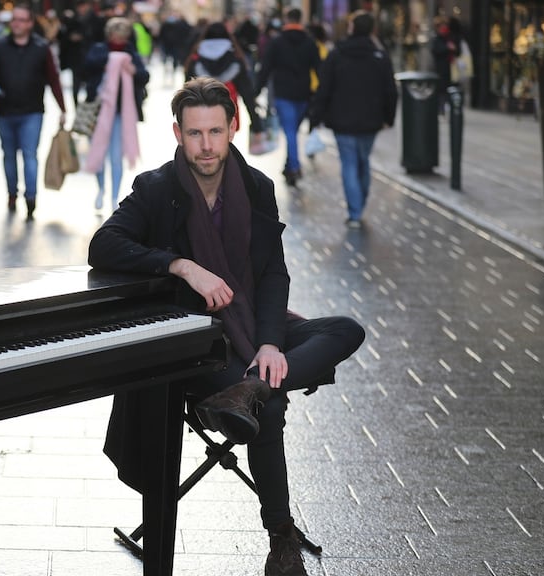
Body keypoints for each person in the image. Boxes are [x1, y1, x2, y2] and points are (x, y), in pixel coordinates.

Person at [89, 78, 365, 576]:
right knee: (274, 403)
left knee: (345, 329)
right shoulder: (156, 189)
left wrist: (269, 342)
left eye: (216, 131)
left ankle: (249, 388)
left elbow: (274, 272)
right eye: (195, 134)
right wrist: (182, 266)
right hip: (195, 345)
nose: (207, 145)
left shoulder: (257, 187)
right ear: (177, 133)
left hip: (253, 327)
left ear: (233, 126)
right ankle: (280, 535)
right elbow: (103, 245)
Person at [0, 3, 67, 221]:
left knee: (29, 155)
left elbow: (53, 79)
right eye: (13, 20)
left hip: (32, 112)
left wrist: (63, 108)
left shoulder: (41, 48)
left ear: (29, 23)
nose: (15, 24)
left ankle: (31, 198)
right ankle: (11, 193)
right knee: (8, 155)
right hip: (5, 111)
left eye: (21, 20)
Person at [308, 11, 397, 229]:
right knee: (363, 161)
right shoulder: (379, 56)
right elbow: (391, 90)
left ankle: (355, 211)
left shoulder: (337, 54)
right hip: (371, 120)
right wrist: (389, 117)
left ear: (351, 28)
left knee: (349, 163)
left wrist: (315, 116)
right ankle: (360, 202)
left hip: (342, 119)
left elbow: (324, 88)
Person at [83, 16, 148, 213]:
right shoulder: (99, 50)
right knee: (98, 153)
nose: (119, 39)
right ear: (109, 34)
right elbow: (85, 69)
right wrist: (106, 63)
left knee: (116, 157)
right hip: (99, 112)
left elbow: (144, 77)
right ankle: (101, 189)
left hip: (122, 114)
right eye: (116, 35)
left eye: (123, 36)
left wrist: (133, 71)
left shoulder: (131, 53)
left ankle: (114, 197)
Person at [256, 8, 320, 186]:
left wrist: (256, 90)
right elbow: (319, 68)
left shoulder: (277, 42)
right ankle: (290, 165)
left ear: (286, 19)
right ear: (300, 20)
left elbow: (265, 68)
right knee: (293, 131)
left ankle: (294, 166)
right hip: (303, 94)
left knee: (290, 131)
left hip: (283, 93)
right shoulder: (309, 42)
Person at [184, 22, 262, 137]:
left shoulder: (195, 60)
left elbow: (187, 94)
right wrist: (256, 125)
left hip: (202, 116)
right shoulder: (236, 58)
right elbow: (247, 94)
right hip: (228, 113)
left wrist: (185, 123)